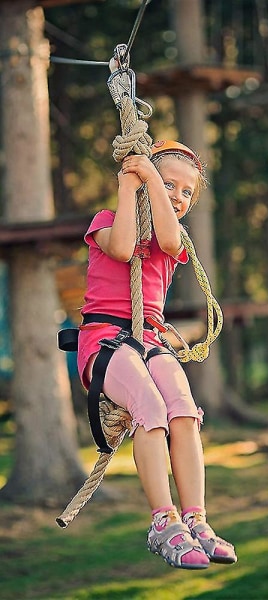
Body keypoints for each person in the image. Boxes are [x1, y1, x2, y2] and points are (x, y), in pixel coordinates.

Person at [76, 140, 237, 569]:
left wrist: (153, 180)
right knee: (150, 407)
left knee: (183, 410)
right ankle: (163, 522)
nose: (179, 197)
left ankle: (196, 519)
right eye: (170, 186)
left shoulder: (174, 240)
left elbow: (166, 237)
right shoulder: (106, 222)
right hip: (106, 339)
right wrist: (131, 185)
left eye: (187, 192)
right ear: (147, 185)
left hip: (150, 339)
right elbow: (124, 249)